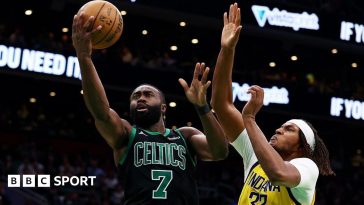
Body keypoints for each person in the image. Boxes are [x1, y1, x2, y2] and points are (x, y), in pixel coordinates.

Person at [72, 11, 228, 205]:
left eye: (148, 95)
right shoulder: (127, 135)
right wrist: (84, 57)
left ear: (163, 108)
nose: (141, 99)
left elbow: (220, 151)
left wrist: (202, 106)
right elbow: (101, 113)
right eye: (135, 97)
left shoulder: (185, 136)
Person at [210, 3, 335, 205]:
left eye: (289, 129)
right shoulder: (257, 155)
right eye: (282, 126)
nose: (278, 129)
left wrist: (249, 118)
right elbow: (221, 105)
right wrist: (227, 49)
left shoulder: (306, 167)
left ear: (302, 145)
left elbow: (278, 173)